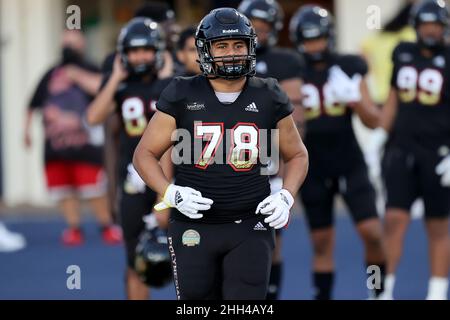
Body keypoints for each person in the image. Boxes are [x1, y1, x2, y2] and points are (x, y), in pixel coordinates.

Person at [133, 7, 308, 300]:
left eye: (238, 45)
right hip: (193, 223)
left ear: (250, 47)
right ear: (206, 50)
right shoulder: (181, 93)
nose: (231, 53)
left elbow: (297, 155)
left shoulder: (268, 93)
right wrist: (170, 192)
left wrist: (286, 195)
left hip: (250, 223)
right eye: (222, 45)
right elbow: (144, 154)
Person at [290, 5, 386, 300]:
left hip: (348, 161)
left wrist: (355, 98)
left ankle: (378, 292)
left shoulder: (348, 66)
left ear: (328, 37)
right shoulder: (292, 71)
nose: (314, 45)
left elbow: (373, 121)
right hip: (313, 166)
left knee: (372, 233)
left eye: (318, 38)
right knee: (321, 242)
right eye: (308, 40)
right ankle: (323, 296)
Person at [87, 18, 171, 300]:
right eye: (134, 51)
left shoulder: (172, 85)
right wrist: (114, 78)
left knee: (187, 259)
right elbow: (93, 117)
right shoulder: (121, 89)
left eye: (146, 49)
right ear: (124, 54)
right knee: (135, 259)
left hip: (171, 179)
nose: (140, 56)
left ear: (158, 50)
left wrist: (166, 194)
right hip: (133, 181)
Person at [373, 0, 450, 300]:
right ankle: (382, 290)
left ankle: (436, 293)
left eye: (435, 24)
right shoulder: (403, 52)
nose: (430, 29)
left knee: (439, 225)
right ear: (416, 26)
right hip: (402, 148)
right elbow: (393, 97)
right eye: (425, 24)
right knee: (392, 221)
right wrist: (379, 135)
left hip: (439, 152)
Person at [24, 29, 122, 246]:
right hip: (55, 147)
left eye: (73, 43)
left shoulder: (91, 68)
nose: (68, 48)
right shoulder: (50, 73)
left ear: (82, 45)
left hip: (86, 144)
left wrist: (76, 75)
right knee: (63, 189)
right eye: (65, 43)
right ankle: (74, 228)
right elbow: (33, 104)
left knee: (94, 188)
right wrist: (26, 132)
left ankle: (106, 225)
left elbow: (103, 89)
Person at [237, 0, 304, 300]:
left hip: (265, 163)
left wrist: (282, 172)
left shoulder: (284, 62)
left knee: (268, 240)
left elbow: (294, 121)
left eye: (263, 28)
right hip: (224, 160)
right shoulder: (227, 57)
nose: (258, 34)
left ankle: (267, 298)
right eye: (254, 27)